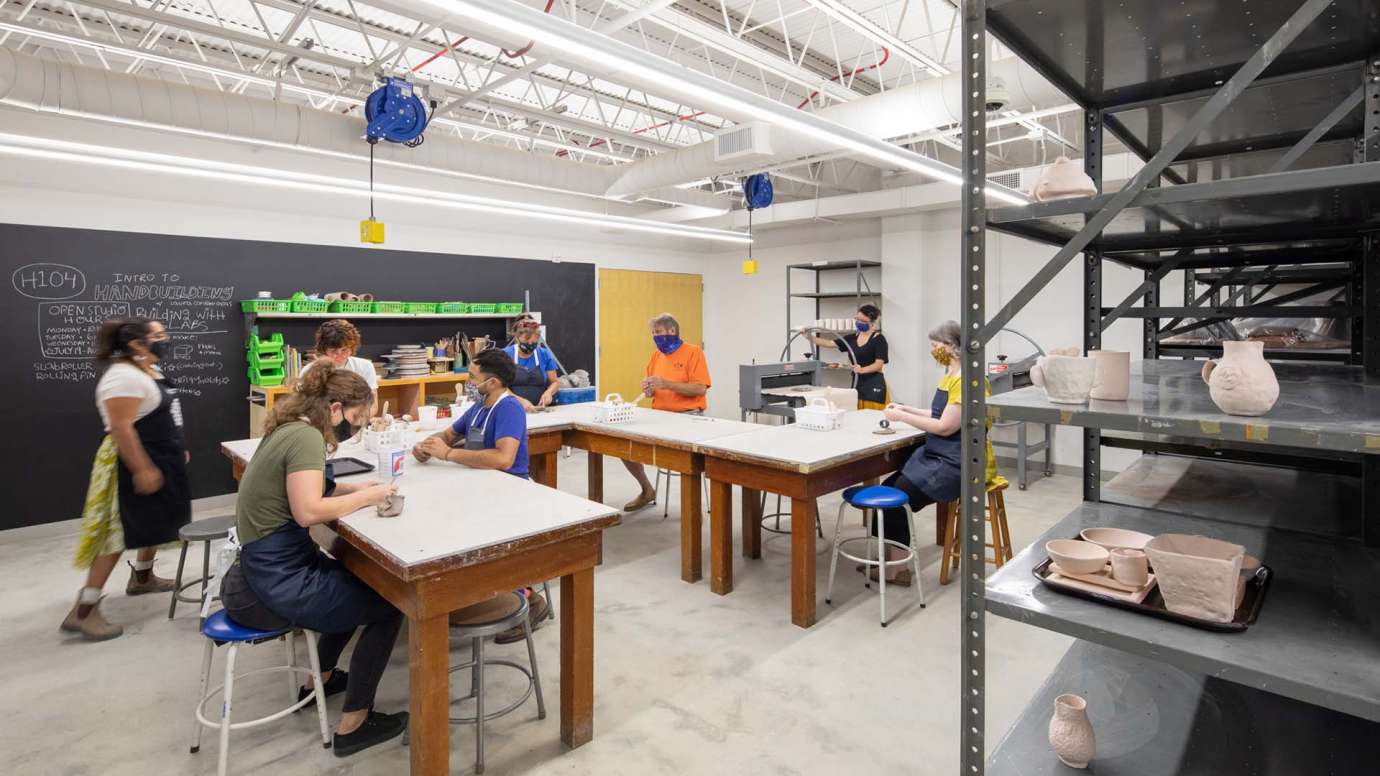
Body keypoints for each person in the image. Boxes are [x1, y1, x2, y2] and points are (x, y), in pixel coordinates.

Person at [220, 364, 408, 756]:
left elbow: (313, 482)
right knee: (390, 605)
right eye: (356, 420)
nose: (355, 429)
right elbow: (307, 510)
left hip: (258, 572)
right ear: (335, 408)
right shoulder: (306, 437)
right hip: (272, 586)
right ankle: (354, 724)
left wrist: (356, 486)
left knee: (354, 581)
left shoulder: (288, 429)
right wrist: (368, 498)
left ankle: (318, 681)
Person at [62, 317, 190, 641]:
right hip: (131, 461)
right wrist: (142, 468)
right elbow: (121, 428)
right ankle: (84, 611)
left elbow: (162, 413)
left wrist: (176, 448)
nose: (166, 339)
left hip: (162, 454)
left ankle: (143, 578)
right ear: (136, 344)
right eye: (158, 336)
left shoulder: (148, 369)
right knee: (116, 534)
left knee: (157, 520)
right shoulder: (122, 377)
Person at [412, 349, 548, 639]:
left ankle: (530, 599)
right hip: (479, 486)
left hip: (509, 491)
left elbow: (503, 459)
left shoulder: (508, 408)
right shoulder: (480, 407)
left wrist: (448, 455)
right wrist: (426, 446)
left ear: (494, 382)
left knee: (469, 530)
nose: (468, 381)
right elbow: (448, 436)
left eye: (473, 377)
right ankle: (467, 591)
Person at [874, 320, 1005, 585]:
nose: (934, 351)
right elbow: (938, 414)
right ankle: (888, 561)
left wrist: (901, 417)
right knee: (888, 489)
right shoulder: (952, 375)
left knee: (896, 500)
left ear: (953, 346)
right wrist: (907, 409)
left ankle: (898, 570)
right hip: (938, 456)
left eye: (936, 346)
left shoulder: (969, 380)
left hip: (955, 463)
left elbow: (945, 427)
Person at [621, 313, 711, 512]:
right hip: (659, 416)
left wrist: (667, 384)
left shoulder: (693, 352)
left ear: (672, 331)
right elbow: (653, 389)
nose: (656, 337)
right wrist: (649, 389)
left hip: (688, 418)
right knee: (625, 447)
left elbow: (700, 388)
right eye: (653, 333)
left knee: (683, 460)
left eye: (659, 332)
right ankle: (647, 490)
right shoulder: (656, 356)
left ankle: (692, 510)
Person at [301, 320, 378, 437]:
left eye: (345, 350)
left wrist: (358, 420)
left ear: (352, 348)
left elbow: (373, 405)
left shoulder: (364, 366)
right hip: (322, 429)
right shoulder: (310, 371)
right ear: (323, 349)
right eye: (333, 351)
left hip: (356, 426)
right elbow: (304, 409)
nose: (340, 355)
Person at [806, 304, 888, 409]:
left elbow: (878, 365)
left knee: (873, 417)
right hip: (857, 383)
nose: (858, 322)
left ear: (872, 323)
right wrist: (808, 336)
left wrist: (862, 370)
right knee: (857, 415)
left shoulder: (879, 339)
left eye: (863, 321)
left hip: (874, 384)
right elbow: (829, 343)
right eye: (857, 319)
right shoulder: (852, 338)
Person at [502, 318, 560, 412]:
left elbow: (555, 382)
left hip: (539, 410)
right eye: (526, 340)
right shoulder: (505, 355)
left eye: (533, 342)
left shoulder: (544, 354)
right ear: (517, 338)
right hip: (511, 410)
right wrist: (520, 401)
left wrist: (549, 392)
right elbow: (499, 387)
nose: (530, 344)